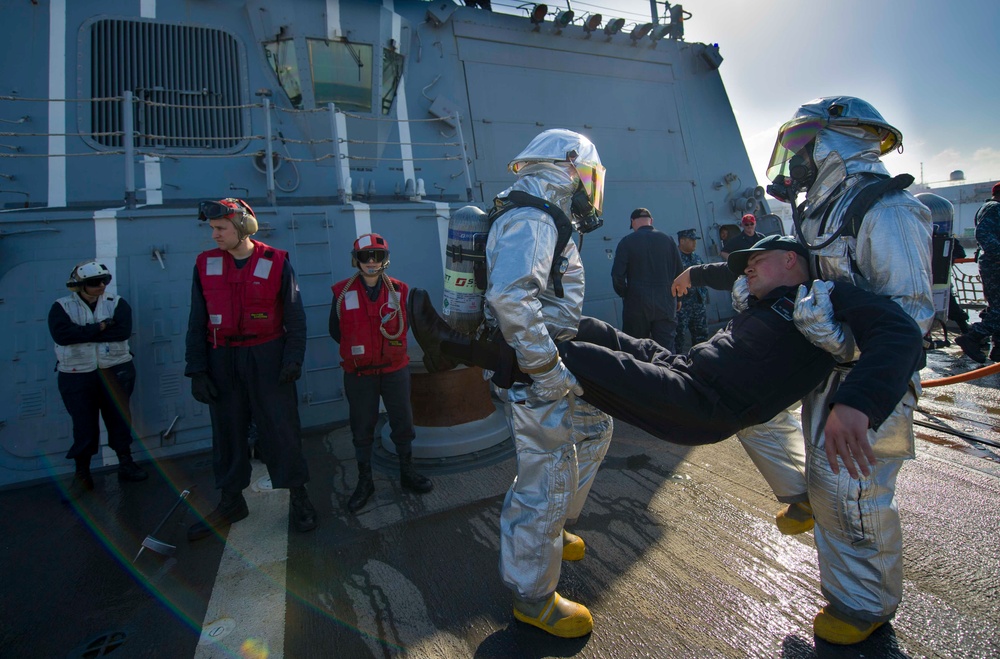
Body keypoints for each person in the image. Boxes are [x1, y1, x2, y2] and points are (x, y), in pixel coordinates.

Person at [736, 96, 935, 644]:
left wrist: (860, 393)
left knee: (851, 493)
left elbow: (910, 318)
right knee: (758, 420)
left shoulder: (888, 210)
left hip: (874, 379)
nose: (794, 161)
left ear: (834, 143)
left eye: (803, 147)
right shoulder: (822, 212)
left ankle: (863, 606)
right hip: (829, 366)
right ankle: (808, 506)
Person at [411, 129, 613, 638]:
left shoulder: (537, 212)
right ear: (569, 168)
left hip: (533, 358)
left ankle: (556, 528)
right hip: (533, 369)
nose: (590, 188)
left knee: (594, 426)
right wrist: (547, 371)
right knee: (543, 481)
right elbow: (510, 298)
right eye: (587, 175)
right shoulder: (534, 217)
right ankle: (534, 599)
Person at [184, 198, 317, 541]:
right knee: (227, 433)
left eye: (220, 229)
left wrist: (292, 359)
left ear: (243, 227)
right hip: (222, 359)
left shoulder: (275, 262)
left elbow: (295, 318)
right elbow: (196, 321)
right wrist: (197, 369)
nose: (214, 235)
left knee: (281, 429)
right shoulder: (204, 265)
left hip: (267, 356)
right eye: (212, 229)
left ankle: (299, 497)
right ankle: (231, 502)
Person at [329, 233, 433, 514]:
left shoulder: (399, 290)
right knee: (362, 427)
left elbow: (406, 324)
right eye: (365, 257)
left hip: (394, 370)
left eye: (377, 256)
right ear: (356, 260)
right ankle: (365, 481)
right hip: (359, 373)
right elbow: (335, 331)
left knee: (402, 421)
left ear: (385, 260)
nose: (371, 262)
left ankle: (407, 472)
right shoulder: (341, 292)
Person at [49, 260, 148, 499]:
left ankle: (126, 462)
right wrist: (102, 326)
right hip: (76, 374)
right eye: (94, 283)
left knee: (119, 417)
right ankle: (82, 474)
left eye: (105, 280)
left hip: (116, 369)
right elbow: (63, 336)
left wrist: (84, 333)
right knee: (83, 424)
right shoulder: (62, 307)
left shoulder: (117, 303)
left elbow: (122, 332)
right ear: (79, 285)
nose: (101, 286)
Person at [611, 208, 683, 346]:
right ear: (651, 221)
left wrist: (626, 294)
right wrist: (678, 298)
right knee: (666, 347)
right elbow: (679, 272)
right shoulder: (668, 240)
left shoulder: (626, 242)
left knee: (637, 348)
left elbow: (617, 275)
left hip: (637, 304)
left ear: (632, 222)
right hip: (666, 303)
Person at [954, 181, 1000, 363]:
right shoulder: (994, 208)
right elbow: (984, 235)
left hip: (991, 264)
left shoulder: (987, 208)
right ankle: (972, 337)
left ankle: (997, 349)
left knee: (995, 308)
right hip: (995, 265)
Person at [673, 228, 709, 352]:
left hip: (698, 303)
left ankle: (702, 359)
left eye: (695, 240)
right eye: (691, 240)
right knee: (678, 337)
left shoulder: (697, 258)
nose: (695, 243)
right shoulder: (674, 258)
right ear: (682, 241)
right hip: (681, 305)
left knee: (701, 336)